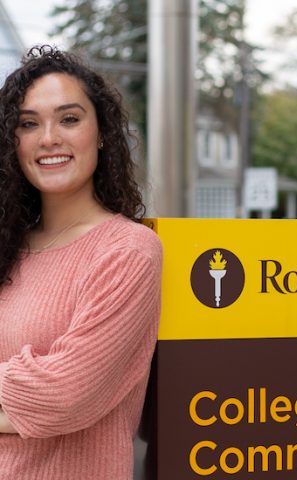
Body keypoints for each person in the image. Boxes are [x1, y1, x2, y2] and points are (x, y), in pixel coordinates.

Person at [0, 45, 162, 479]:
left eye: (69, 119)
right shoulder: (7, 248)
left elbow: (65, 396)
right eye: (28, 124)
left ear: (103, 132)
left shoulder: (127, 251)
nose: (49, 137)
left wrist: (33, 393)